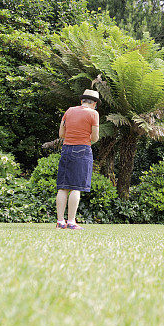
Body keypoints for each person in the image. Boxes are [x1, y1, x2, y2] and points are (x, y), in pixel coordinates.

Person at [56, 89, 100, 230]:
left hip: (66, 148)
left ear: (82, 101)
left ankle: (60, 222)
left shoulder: (69, 111)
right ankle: (71, 222)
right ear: (94, 104)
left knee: (63, 187)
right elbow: (95, 137)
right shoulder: (93, 114)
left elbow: (61, 133)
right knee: (76, 187)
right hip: (83, 149)